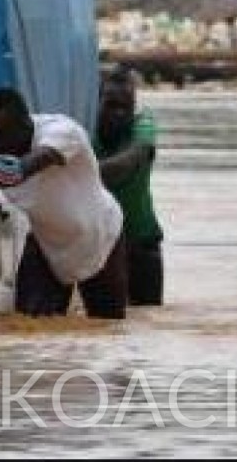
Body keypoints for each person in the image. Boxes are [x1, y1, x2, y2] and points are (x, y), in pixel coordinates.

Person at [0, 87, 127, 319]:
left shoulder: (62, 132)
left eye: (5, 138)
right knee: (32, 324)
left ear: (26, 125)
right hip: (47, 247)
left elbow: (19, 171)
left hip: (100, 240)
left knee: (108, 326)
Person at [93, 68, 163, 306]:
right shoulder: (83, 133)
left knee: (148, 318)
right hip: (99, 247)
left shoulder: (143, 125)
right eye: (111, 105)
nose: (119, 113)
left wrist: (83, 173)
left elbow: (134, 157)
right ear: (96, 102)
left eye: (126, 106)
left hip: (141, 242)